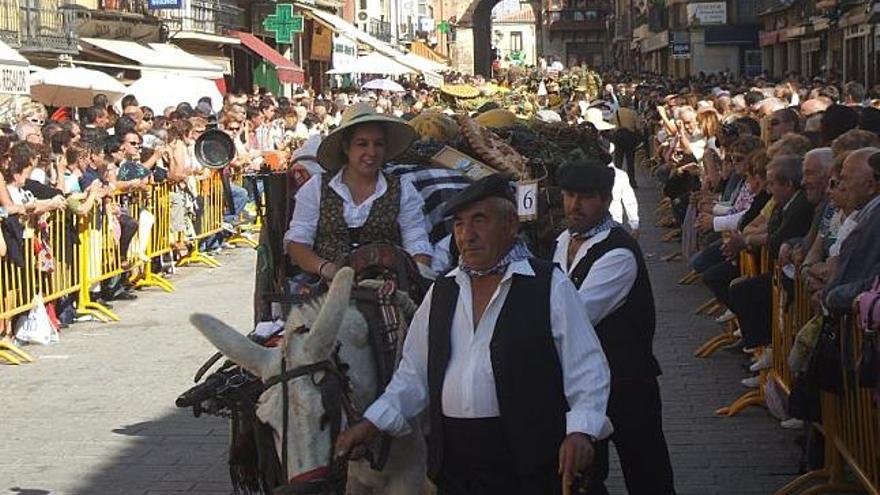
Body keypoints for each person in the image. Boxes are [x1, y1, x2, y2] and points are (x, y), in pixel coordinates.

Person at [335, 174, 612, 494]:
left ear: (510, 224)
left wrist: (581, 430)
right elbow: (414, 374)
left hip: (528, 459)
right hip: (455, 464)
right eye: (459, 224)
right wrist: (373, 423)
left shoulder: (547, 285)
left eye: (479, 221)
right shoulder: (443, 290)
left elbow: (586, 366)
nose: (467, 235)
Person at [552, 161, 675, 495]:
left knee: (647, 473)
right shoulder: (563, 240)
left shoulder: (618, 252)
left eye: (585, 197)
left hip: (627, 382)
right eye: (569, 195)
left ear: (606, 200)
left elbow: (574, 316)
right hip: (585, 383)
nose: (574, 205)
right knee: (586, 477)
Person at [285, 103, 433, 280]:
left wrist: (416, 275)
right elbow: (298, 242)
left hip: (386, 283)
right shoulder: (317, 187)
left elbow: (416, 240)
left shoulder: (402, 189)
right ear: (347, 148)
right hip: (324, 282)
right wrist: (325, 268)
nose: (371, 152)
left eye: (378, 144)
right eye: (362, 144)